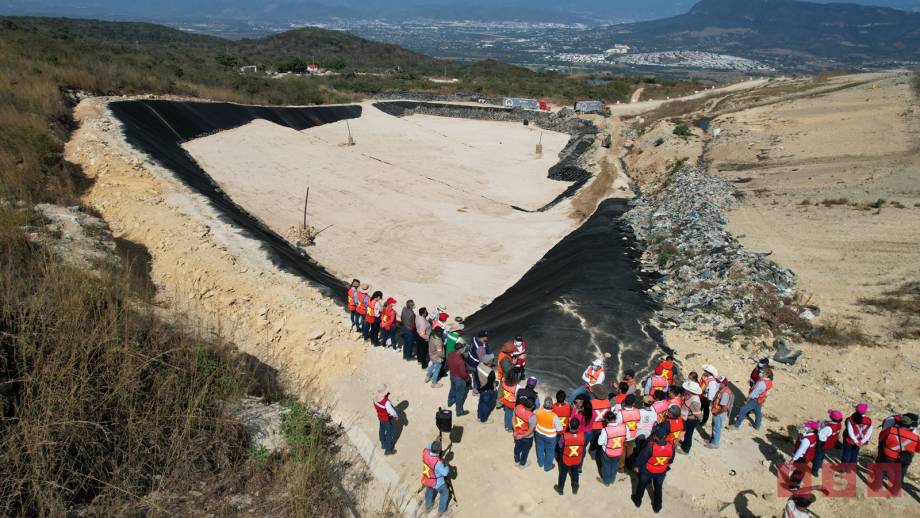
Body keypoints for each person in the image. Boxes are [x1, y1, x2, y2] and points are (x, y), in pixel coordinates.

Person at [631, 426, 676, 514]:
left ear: (655, 436)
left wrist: (636, 466)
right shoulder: (671, 447)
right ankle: (657, 507)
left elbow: (641, 459)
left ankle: (638, 501)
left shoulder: (650, 447)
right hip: (661, 471)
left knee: (641, 486)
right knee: (658, 488)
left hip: (647, 470)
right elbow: (671, 460)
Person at [874, 413, 918, 489]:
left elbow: (881, 438)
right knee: (901, 472)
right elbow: (917, 449)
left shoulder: (890, 430)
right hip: (904, 458)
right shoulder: (915, 437)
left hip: (889, 454)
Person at [554, 418, 585, 495]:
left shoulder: (564, 436)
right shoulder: (582, 435)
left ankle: (560, 489)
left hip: (566, 459)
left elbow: (560, 445)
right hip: (577, 458)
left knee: (563, 474)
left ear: (569, 426)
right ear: (578, 427)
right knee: (575, 472)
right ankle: (575, 488)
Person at [421, 440, 451, 515]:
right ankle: (441, 510)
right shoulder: (438, 463)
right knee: (445, 492)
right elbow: (445, 473)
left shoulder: (425, 452)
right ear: (439, 451)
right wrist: (446, 465)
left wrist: (436, 441)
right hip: (437, 482)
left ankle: (428, 507)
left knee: (429, 491)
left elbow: (428, 445)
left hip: (427, 478)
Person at [597, 411, 627, 486]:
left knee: (606, 466)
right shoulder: (624, 426)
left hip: (607, 452)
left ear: (607, 420)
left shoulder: (605, 430)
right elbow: (628, 437)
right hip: (619, 451)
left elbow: (600, 443)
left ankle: (607, 481)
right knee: (614, 465)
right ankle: (612, 479)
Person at [535, 397, 563, 472]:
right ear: (552, 406)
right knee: (550, 451)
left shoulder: (538, 411)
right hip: (550, 437)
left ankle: (540, 462)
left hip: (538, 433)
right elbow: (560, 430)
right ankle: (547, 467)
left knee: (539, 447)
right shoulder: (554, 416)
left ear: (544, 404)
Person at [812, 410, 844, 476]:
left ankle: (815, 470)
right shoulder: (839, 425)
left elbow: (820, 436)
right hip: (830, 443)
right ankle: (819, 464)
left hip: (822, 443)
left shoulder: (828, 428)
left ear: (831, 417)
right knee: (822, 454)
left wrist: (817, 427)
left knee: (818, 455)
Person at [707, 376, 734, 449]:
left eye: (719, 382)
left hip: (719, 413)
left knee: (717, 428)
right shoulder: (722, 390)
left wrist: (717, 413)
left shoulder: (725, 393)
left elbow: (725, 408)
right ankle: (712, 440)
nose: (717, 383)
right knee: (714, 426)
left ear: (723, 383)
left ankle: (715, 444)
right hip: (717, 412)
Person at [617, 394, 641, 469]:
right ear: (634, 403)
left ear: (625, 402)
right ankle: (630, 465)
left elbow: (618, 425)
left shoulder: (620, 413)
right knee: (630, 451)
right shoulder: (637, 411)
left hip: (623, 436)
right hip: (633, 435)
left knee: (622, 452)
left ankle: (621, 466)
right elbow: (639, 422)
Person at [373, 385, 398, 455]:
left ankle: (383, 444)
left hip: (380, 417)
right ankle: (388, 449)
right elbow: (392, 412)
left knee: (381, 430)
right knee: (390, 433)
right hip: (387, 419)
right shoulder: (386, 403)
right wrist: (396, 416)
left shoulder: (375, 398)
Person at [588, 385, 612, 460]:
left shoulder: (591, 403)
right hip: (602, 425)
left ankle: (592, 453)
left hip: (592, 426)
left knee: (592, 440)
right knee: (598, 440)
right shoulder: (608, 402)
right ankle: (595, 454)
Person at [447, 344, 470, 416]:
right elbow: (463, 374)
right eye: (463, 348)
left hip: (452, 375)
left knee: (452, 389)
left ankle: (450, 401)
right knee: (460, 395)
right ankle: (459, 411)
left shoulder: (450, 354)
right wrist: (467, 378)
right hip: (459, 380)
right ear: (460, 350)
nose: (464, 349)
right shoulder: (460, 361)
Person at [680, 381, 703, 453]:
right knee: (687, 433)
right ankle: (684, 445)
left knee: (688, 434)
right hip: (688, 418)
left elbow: (697, 414)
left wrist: (699, 420)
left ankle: (686, 449)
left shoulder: (694, 401)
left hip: (691, 420)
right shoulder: (691, 396)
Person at [513, 398, 537, 467]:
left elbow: (513, 419)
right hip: (527, 437)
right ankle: (522, 464)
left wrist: (515, 430)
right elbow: (531, 430)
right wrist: (523, 436)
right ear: (532, 407)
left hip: (518, 433)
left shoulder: (517, 407)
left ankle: (517, 461)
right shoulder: (532, 416)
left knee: (517, 448)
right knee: (525, 451)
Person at [475, 353, 497, 423]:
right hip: (487, 391)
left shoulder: (479, 365)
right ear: (489, 362)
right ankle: (484, 419)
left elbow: (476, 377)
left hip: (481, 388)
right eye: (492, 360)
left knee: (481, 403)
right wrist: (481, 389)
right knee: (486, 405)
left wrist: (479, 388)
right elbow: (489, 384)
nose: (493, 360)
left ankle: (479, 416)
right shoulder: (491, 372)